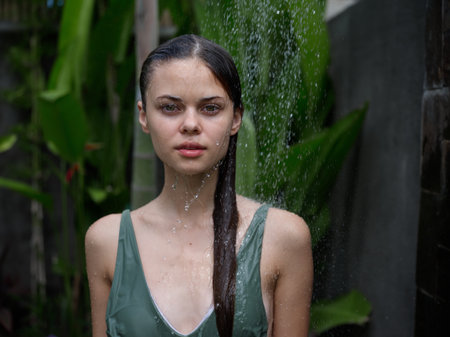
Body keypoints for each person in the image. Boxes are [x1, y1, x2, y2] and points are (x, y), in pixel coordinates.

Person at [85, 34, 313, 337]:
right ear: (143, 116)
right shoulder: (107, 241)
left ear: (236, 118)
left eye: (210, 108)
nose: (190, 124)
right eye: (170, 107)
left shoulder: (283, 238)